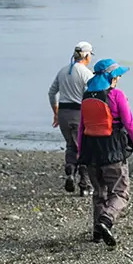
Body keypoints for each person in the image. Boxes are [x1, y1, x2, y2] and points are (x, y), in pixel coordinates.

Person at [78, 59, 133, 247]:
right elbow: (129, 125)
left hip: (90, 152)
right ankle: (106, 220)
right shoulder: (117, 95)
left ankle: (97, 232)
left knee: (99, 192)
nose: (119, 78)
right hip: (112, 151)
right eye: (117, 75)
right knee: (121, 192)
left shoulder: (87, 97)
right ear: (111, 77)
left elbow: (81, 127)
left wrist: (81, 152)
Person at [48, 42, 95, 195]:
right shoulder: (86, 73)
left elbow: (51, 92)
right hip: (78, 112)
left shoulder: (62, 71)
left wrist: (56, 112)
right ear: (86, 55)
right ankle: (84, 184)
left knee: (71, 144)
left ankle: (70, 169)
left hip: (63, 113)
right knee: (84, 147)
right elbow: (92, 94)